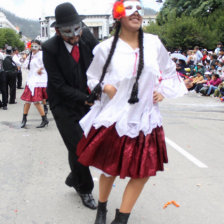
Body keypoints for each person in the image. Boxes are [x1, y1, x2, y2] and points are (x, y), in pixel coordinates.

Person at [76, 0, 188, 223]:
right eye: (129, 9)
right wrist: (104, 87)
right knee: (109, 170)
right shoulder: (105, 48)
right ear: (118, 16)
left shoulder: (154, 43)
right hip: (116, 118)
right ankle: (102, 208)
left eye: (139, 9)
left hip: (146, 119)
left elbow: (168, 71)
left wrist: (162, 90)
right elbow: (91, 77)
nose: (136, 13)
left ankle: (122, 218)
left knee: (143, 173)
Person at [42, 2, 98, 209]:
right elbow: (57, 84)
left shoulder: (87, 38)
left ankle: (74, 175)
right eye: (68, 34)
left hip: (88, 100)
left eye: (77, 31)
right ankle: (85, 188)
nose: (75, 38)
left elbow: (103, 60)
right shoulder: (49, 48)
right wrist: (84, 97)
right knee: (78, 146)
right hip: (63, 104)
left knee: (88, 144)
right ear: (57, 31)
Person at [20, 40, 49, 128]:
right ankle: (24, 119)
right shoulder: (30, 56)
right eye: (32, 46)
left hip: (38, 81)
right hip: (31, 80)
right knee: (28, 101)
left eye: (35, 46)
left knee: (36, 101)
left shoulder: (42, 55)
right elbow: (24, 66)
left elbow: (47, 63)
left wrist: (41, 69)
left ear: (39, 47)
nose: (33, 48)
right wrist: (26, 59)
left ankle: (44, 119)